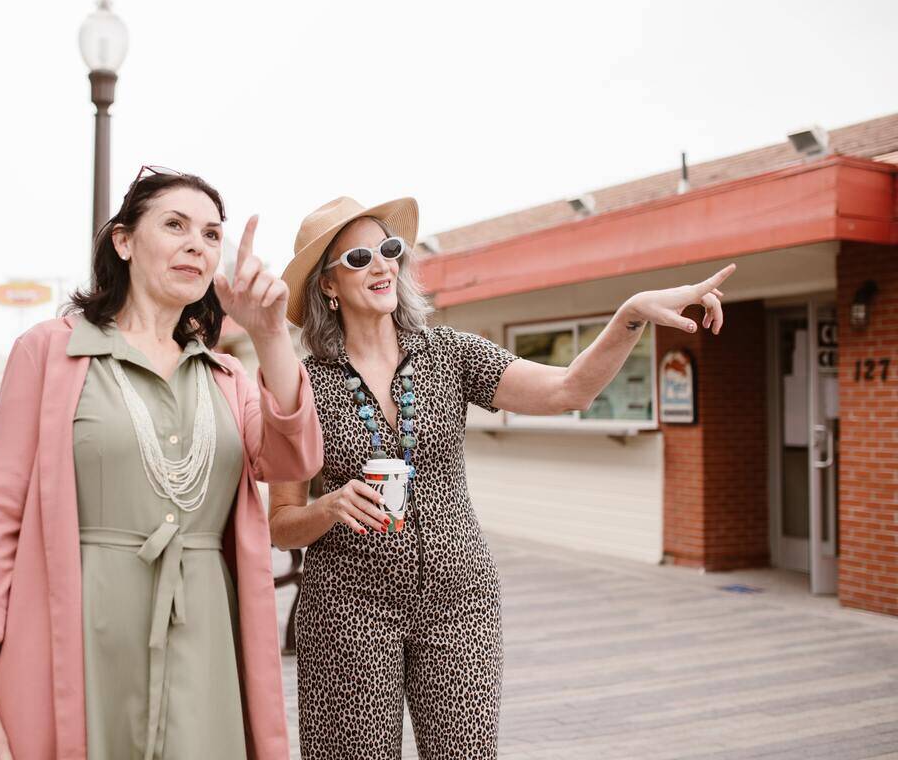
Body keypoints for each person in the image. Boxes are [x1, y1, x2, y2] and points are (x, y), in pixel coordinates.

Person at [268, 196, 734, 759]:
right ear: (328, 286)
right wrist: (329, 508)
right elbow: (281, 524)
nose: (384, 265)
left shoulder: (452, 354)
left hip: (458, 601)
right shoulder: (301, 385)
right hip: (347, 612)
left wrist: (629, 313)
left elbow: (569, 389)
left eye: (390, 250)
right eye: (360, 257)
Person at [0, 167, 323, 760]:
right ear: (123, 241)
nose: (196, 243)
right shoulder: (47, 352)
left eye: (211, 234)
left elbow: (291, 458)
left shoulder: (227, 378)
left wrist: (272, 336)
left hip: (206, 638)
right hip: (79, 630)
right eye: (175, 225)